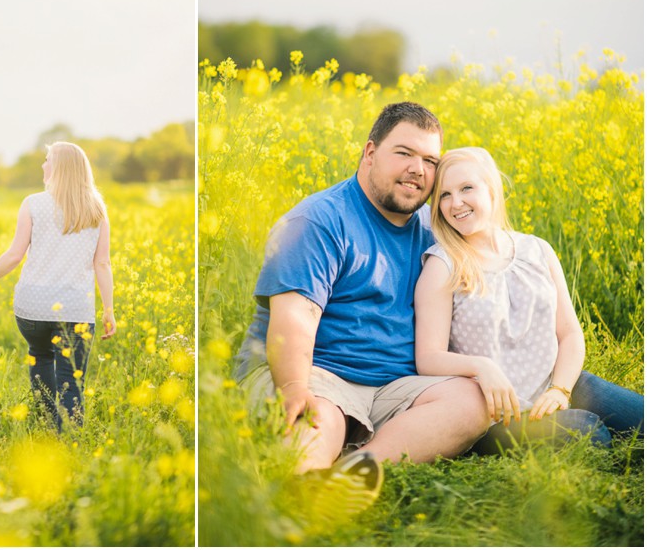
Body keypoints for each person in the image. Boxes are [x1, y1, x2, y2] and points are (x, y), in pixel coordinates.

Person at [234, 102, 490, 525]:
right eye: (404, 153)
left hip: (390, 386)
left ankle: (352, 473)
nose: (417, 170)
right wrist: (295, 388)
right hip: (313, 369)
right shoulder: (318, 220)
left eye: (430, 161)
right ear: (369, 153)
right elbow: (293, 320)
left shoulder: (432, 229)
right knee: (320, 418)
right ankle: (304, 491)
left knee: (472, 399)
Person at [414, 146, 643, 454]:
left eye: (467, 188)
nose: (456, 203)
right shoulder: (442, 266)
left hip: (557, 383)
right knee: (590, 434)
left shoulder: (537, 250)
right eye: (444, 195)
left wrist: (560, 390)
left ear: (492, 188)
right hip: (499, 415)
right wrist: (481, 367)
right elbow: (428, 358)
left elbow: (569, 333)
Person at [0, 142, 116, 431]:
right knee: (72, 380)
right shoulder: (97, 208)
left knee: (42, 358)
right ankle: (69, 441)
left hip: (33, 307)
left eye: (47, 160)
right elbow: (103, 264)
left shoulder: (33, 203)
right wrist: (108, 310)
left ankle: (47, 425)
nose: (43, 166)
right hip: (76, 311)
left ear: (58, 168)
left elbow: (14, 256)